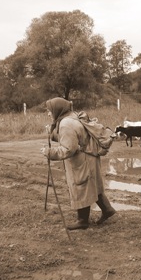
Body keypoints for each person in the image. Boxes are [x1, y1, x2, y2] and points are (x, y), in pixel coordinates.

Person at [41, 97, 116, 230]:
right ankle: (107, 210)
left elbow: (68, 149)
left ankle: (82, 221)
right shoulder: (72, 116)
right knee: (92, 184)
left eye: (49, 110)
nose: (48, 114)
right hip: (90, 156)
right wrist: (53, 134)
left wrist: (49, 152)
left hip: (81, 160)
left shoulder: (65, 124)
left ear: (57, 110)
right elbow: (74, 138)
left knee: (80, 186)